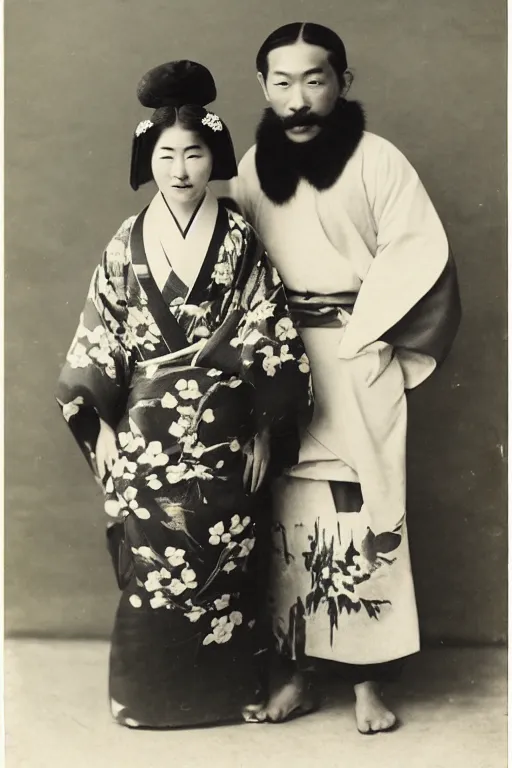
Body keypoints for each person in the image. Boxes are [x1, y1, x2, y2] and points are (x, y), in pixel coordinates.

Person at [56, 60, 311, 729]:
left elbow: (269, 330)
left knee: (230, 558)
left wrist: (264, 426)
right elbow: (99, 332)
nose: (180, 170)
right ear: (149, 157)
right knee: (153, 563)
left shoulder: (238, 239)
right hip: (145, 433)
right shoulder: (125, 243)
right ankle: (151, 698)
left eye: (194, 153)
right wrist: (100, 424)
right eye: (166, 155)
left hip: (226, 428)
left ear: (213, 156)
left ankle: (231, 693)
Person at [229, 22, 461, 733]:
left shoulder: (378, 161)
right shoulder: (249, 166)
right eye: (283, 81)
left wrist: (368, 338)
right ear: (264, 86)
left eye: (316, 79)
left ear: (343, 82)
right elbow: (233, 266)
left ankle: (367, 680)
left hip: (358, 353)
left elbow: (417, 252)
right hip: (280, 357)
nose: (299, 98)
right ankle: (299, 671)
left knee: (360, 513)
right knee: (289, 514)